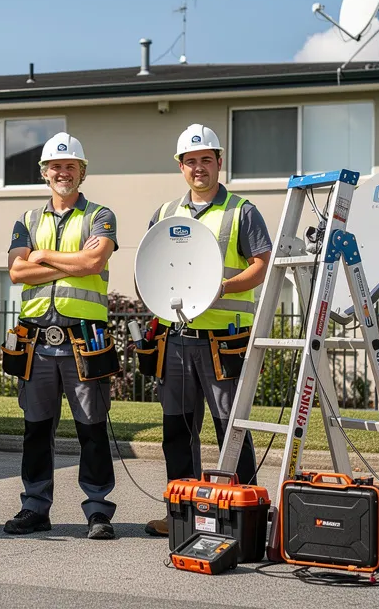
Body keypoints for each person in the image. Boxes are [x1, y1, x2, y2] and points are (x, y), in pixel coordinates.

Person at [142, 123, 272, 538]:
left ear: (219, 162)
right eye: (190, 161)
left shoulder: (241, 210)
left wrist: (222, 289)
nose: (198, 168)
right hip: (176, 339)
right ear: (180, 167)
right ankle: (182, 514)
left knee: (230, 430)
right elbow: (153, 266)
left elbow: (261, 266)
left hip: (225, 340)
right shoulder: (164, 214)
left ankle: (243, 513)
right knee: (177, 430)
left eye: (205, 160)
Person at [1, 133, 119, 540]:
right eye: (55, 166)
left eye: (70, 166)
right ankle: (35, 507)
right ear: (44, 173)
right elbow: (16, 273)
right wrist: (71, 264)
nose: (62, 172)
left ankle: (99, 510)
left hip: (82, 340)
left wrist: (42, 256)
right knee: (36, 430)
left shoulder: (101, 215)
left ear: (82, 172)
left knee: (92, 427)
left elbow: (94, 260)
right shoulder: (27, 220)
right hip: (36, 339)